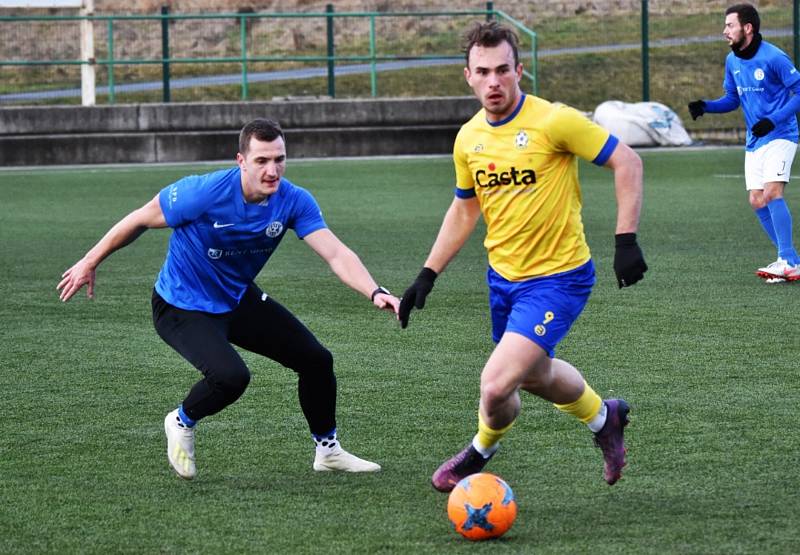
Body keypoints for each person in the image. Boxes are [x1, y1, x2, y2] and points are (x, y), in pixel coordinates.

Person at [57, 118, 399, 479]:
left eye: (279, 159)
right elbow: (139, 219)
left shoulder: (293, 200)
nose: (272, 170)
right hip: (180, 305)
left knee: (315, 360)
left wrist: (374, 291)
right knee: (231, 377)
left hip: (236, 298)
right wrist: (89, 261)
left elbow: (335, 253)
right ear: (241, 160)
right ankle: (181, 421)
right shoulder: (202, 193)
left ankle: (327, 450)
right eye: (262, 161)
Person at [398, 21, 647, 493]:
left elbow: (627, 162)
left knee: (493, 385)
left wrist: (625, 240)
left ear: (520, 70)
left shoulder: (554, 120)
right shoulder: (468, 138)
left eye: (503, 70)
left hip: (559, 278)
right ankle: (604, 418)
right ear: (467, 76)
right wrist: (427, 274)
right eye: (483, 72)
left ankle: (478, 453)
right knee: (531, 378)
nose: (494, 81)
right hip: (503, 279)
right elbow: (464, 208)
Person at [688, 3, 800, 283]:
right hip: (755, 140)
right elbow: (732, 99)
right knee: (756, 200)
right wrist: (706, 106)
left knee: (773, 193)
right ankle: (792, 260)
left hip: (782, 134)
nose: (724, 31)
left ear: (747, 28)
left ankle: (786, 260)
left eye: (729, 25)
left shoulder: (774, 57)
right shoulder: (732, 60)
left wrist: (774, 120)